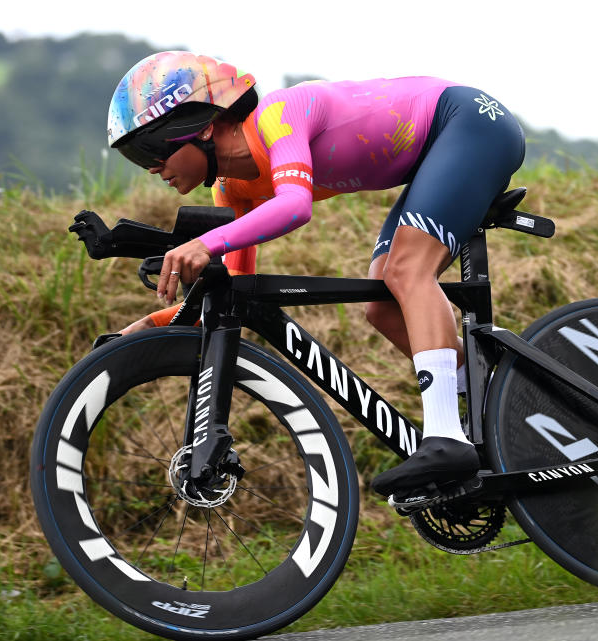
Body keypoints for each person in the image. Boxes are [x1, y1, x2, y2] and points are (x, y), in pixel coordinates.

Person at [107, 51, 525, 497]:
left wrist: (205, 242)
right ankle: (499, 393)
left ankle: (446, 437)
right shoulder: (230, 187)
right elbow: (224, 289)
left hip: (469, 123)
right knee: (382, 306)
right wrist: (148, 329)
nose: (151, 167)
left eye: (150, 149)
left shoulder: (277, 116)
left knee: (407, 272)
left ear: (203, 125)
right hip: (432, 156)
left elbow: (293, 205)